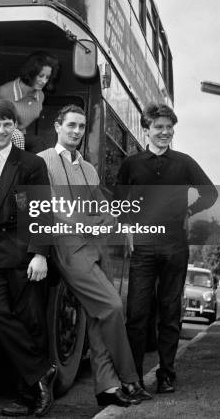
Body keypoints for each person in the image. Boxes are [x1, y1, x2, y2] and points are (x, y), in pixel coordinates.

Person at [37, 105, 151, 407]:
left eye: (81, 126)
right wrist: (92, 222)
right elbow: (55, 211)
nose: (76, 131)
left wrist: (120, 224)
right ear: (58, 126)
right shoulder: (43, 162)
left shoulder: (88, 168)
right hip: (69, 248)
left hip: (97, 246)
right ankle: (130, 379)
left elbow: (102, 206)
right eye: (71, 125)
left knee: (99, 319)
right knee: (112, 306)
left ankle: (107, 387)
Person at [115, 103, 217, 393]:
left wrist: (189, 211)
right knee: (137, 314)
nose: (165, 132)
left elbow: (210, 193)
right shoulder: (131, 164)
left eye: (169, 127)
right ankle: (133, 378)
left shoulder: (184, 162)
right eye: (159, 127)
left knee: (170, 313)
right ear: (146, 130)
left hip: (175, 247)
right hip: (143, 249)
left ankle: (166, 374)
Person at [0, 99, 56, 418]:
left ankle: (28, 397)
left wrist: (39, 254)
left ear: (15, 129)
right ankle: (42, 370)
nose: (1, 130)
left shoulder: (31, 164)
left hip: (21, 253)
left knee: (30, 322)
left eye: (8, 124)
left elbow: (39, 211)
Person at [0, 51, 58, 152]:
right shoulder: (2, 92)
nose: (44, 81)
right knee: (37, 142)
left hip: (19, 138)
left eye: (47, 77)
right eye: (41, 76)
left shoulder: (40, 95)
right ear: (31, 72)